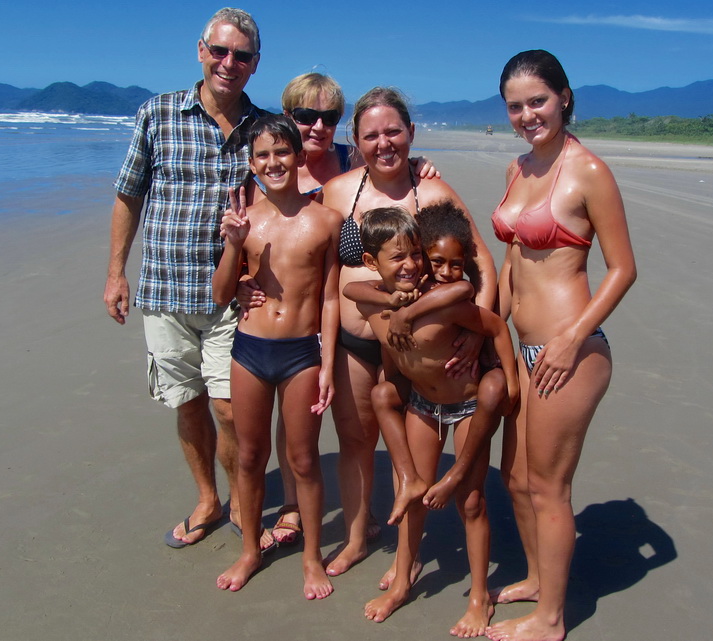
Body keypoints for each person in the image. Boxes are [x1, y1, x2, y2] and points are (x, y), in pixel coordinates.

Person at [103, 7, 274, 552]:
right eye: (220, 51)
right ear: (201, 51)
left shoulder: (264, 129)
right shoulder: (157, 115)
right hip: (165, 290)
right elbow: (129, 194)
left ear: (255, 64)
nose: (229, 63)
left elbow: (311, 172)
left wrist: (415, 169)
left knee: (229, 407)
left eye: (241, 56)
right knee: (187, 401)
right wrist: (115, 274)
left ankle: (242, 497)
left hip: (234, 296)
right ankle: (208, 498)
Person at [242, 72, 438, 546]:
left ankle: (379, 531)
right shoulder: (269, 175)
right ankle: (294, 508)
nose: (316, 126)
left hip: (362, 333)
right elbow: (247, 247)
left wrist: (419, 164)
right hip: (289, 331)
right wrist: (240, 287)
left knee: (327, 433)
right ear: (288, 120)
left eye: (328, 117)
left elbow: (388, 152)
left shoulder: (352, 164)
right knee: (292, 432)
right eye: (305, 116)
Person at [316, 87, 499, 579]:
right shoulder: (339, 191)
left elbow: (481, 261)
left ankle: (408, 555)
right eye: (371, 134)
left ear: (411, 134)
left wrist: (478, 330)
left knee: (413, 446)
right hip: (356, 342)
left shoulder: (432, 190)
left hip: (419, 350)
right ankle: (357, 538)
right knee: (356, 440)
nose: (384, 142)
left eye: (394, 130)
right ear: (356, 141)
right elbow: (317, 259)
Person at [487, 50, 636, 641]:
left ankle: (550, 619)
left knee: (549, 486)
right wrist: (489, 330)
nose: (527, 115)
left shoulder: (588, 172)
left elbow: (622, 269)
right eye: (516, 105)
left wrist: (572, 339)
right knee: (516, 478)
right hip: (520, 349)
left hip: (568, 352)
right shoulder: (516, 169)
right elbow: (512, 260)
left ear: (565, 97)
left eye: (538, 101)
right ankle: (536, 578)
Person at [352, 206, 518, 635]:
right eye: (403, 257)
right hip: (423, 407)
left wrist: (511, 381)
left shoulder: (445, 302)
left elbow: (494, 323)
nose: (413, 266)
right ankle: (403, 580)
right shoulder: (384, 296)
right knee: (413, 498)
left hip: (465, 406)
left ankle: (480, 596)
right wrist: (395, 304)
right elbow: (355, 290)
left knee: (472, 501)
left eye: (414, 256)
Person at [212, 114, 341, 599]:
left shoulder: (326, 220)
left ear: (298, 155)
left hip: (302, 354)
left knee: (303, 458)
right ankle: (250, 549)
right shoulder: (245, 219)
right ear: (251, 163)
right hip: (249, 350)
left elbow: (330, 297)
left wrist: (328, 362)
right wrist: (232, 245)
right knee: (249, 455)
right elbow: (222, 293)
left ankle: (311, 557)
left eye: (282, 152)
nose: (273, 163)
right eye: (262, 155)